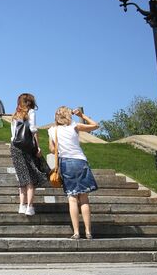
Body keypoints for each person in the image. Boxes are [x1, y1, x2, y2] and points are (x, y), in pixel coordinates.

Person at [48, 106, 100, 240]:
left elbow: (52, 149)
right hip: (80, 161)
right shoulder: (74, 126)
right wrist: (82, 115)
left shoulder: (52, 130)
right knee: (84, 198)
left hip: (66, 163)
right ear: (68, 115)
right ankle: (88, 231)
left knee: (72, 198)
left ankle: (76, 232)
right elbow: (95, 126)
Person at [9, 93, 49, 216]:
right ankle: (30, 207)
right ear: (31, 102)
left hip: (15, 147)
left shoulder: (15, 115)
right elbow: (33, 130)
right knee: (31, 177)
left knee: (22, 178)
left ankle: (22, 205)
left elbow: (13, 134)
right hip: (27, 147)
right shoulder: (31, 112)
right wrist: (38, 146)